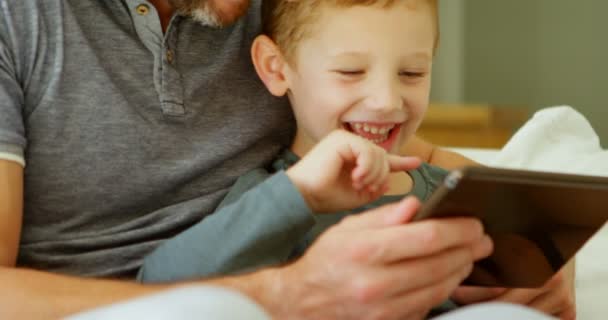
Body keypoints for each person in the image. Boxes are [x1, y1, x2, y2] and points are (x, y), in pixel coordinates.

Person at [0, 0, 574, 319]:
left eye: (414, 74)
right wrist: (286, 292)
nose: (387, 96)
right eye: (351, 73)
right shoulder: (19, 21)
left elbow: (401, 148)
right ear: (274, 68)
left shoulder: (289, 10)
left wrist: (530, 245)